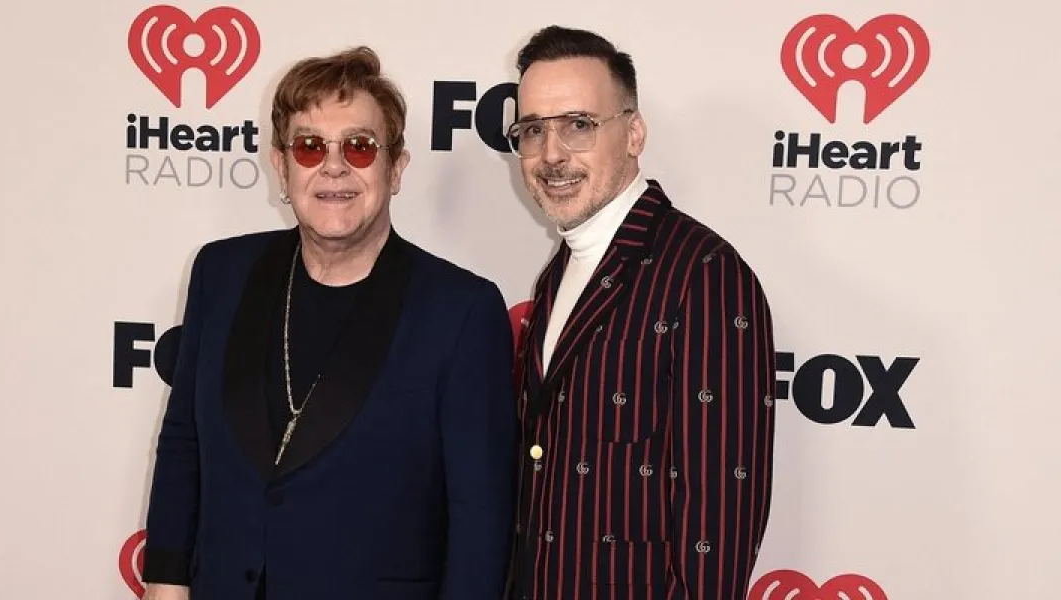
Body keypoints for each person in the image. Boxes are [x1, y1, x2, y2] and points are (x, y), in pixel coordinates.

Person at [139, 46, 518, 600]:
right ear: (281, 164)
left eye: (360, 148)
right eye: (310, 146)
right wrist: (166, 581)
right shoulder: (221, 274)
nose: (333, 166)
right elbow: (183, 443)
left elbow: (480, 518)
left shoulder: (461, 310)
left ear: (396, 169)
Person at [504, 26, 778, 599]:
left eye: (578, 125)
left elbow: (719, 527)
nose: (552, 154)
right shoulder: (560, 272)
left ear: (633, 133)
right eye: (532, 130)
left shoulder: (705, 276)